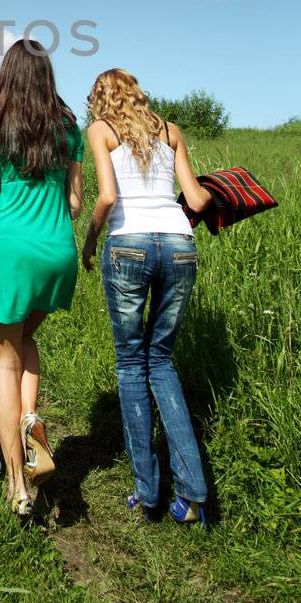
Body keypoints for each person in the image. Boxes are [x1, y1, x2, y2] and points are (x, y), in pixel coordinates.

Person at [81, 68, 215, 528]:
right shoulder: (170, 130)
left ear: (100, 99)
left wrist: (90, 240)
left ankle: (147, 492)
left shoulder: (100, 131)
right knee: (162, 360)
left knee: (130, 363)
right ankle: (193, 494)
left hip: (128, 246)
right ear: (138, 94)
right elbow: (196, 201)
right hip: (179, 247)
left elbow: (106, 197)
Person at [0, 39, 83, 518]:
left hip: (12, 253)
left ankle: (17, 482)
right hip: (58, 253)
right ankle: (31, 419)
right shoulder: (68, 128)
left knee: (3, 361)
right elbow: (76, 204)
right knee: (27, 338)